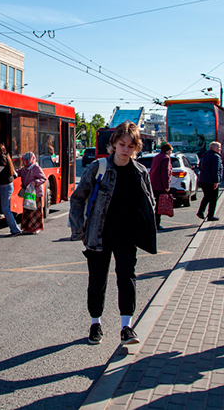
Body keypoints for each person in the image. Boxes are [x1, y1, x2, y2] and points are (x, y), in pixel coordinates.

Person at [69, 121, 156, 346]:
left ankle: (126, 327)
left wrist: (146, 230)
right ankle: (95, 323)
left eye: (131, 145)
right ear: (114, 144)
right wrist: (79, 230)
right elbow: (78, 198)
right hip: (98, 235)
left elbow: (150, 203)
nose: (126, 149)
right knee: (97, 281)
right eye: (122, 144)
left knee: (127, 279)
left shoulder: (140, 172)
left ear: (136, 148)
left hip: (127, 237)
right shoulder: (99, 168)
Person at [0, 143, 21, 236]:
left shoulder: (1, 158)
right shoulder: (5, 157)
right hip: (2, 186)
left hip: (5, 187)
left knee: (5, 209)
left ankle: (15, 230)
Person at [16, 152, 48, 234]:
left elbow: (43, 178)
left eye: (24, 161)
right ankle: (27, 227)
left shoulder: (36, 168)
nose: (23, 163)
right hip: (28, 193)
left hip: (36, 193)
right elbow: (17, 172)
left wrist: (35, 182)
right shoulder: (25, 168)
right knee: (27, 210)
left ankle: (35, 228)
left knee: (34, 211)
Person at [196, 142, 223, 221]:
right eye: (219, 148)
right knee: (213, 199)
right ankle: (210, 215)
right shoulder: (216, 157)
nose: (220, 149)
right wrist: (216, 181)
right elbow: (215, 170)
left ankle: (200, 211)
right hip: (211, 181)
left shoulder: (204, 155)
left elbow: (200, 167)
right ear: (213, 148)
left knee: (206, 196)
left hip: (203, 180)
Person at [150, 143, 173, 231]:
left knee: (154, 204)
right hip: (161, 185)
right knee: (159, 206)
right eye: (171, 150)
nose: (171, 152)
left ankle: (153, 223)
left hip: (154, 183)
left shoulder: (157, 157)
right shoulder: (166, 158)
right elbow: (165, 173)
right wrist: (166, 186)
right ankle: (157, 224)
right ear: (167, 150)